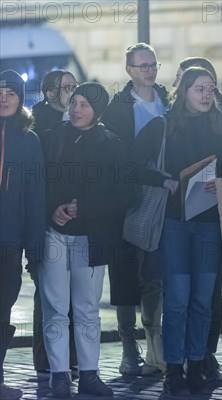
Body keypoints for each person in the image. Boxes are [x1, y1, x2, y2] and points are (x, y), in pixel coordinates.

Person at [135, 67, 222, 396]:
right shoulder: (163, 125)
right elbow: (130, 163)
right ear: (184, 91)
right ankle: (173, 368)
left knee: (202, 301)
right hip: (175, 225)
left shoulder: (221, 125)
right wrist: (162, 179)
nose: (207, 94)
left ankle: (197, 363)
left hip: (210, 224)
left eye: (211, 88)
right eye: (199, 88)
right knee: (177, 299)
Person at [38, 82, 130, 397]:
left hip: (91, 239)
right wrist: (54, 210)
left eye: (85, 105)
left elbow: (127, 194)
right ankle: (60, 375)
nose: (77, 109)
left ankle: (89, 374)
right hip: (54, 233)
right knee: (55, 307)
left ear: (97, 110)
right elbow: (39, 184)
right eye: (74, 102)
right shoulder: (51, 139)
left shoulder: (111, 143)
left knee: (87, 308)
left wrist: (84, 208)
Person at [100, 42, 169, 376]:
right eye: (143, 66)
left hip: (166, 200)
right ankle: (130, 350)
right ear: (129, 70)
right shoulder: (117, 108)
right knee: (126, 279)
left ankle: (157, 349)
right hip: (127, 201)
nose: (150, 70)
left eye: (153, 64)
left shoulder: (168, 101)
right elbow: (120, 161)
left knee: (155, 278)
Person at [30, 69, 79, 375]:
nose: (73, 93)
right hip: (46, 221)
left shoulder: (79, 121)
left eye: (75, 87)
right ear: (50, 94)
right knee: (47, 293)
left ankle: (69, 356)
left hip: (77, 219)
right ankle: (47, 358)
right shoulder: (38, 126)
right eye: (67, 88)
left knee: (73, 293)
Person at [0, 70, 45, 400]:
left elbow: (35, 196)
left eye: (11, 92)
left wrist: (35, 245)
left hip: (10, 241)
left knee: (3, 306)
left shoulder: (29, 141)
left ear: (20, 98)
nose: (3, 97)